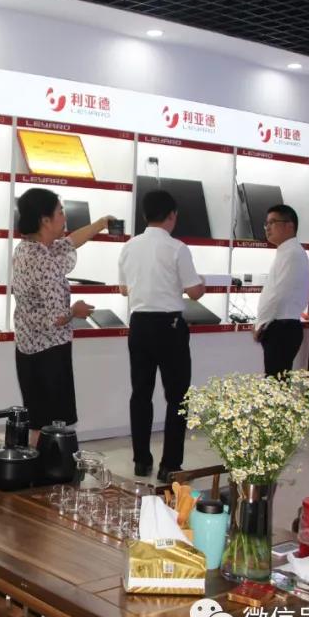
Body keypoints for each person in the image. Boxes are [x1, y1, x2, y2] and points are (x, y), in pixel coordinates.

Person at [12, 188, 113, 443]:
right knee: (51, 426)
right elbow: (58, 317)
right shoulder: (44, 261)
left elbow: (70, 242)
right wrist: (75, 311)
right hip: (50, 353)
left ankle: (35, 464)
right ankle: (48, 466)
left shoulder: (26, 249)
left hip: (27, 349)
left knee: (37, 421)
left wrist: (100, 224)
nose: (64, 217)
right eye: (60, 212)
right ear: (45, 220)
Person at [118, 189, 205, 482]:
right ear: (172, 215)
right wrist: (201, 283)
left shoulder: (129, 247)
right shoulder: (177, 248)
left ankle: (141, 461)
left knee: (141, 394)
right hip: (169, 326)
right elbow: (194, 291)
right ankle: (170, 465)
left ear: (145, 215)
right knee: (177, 397)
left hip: (139, 324)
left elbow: (123, 289)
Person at [254, 204, 309, 377]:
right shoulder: (286, 252)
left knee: (275, 384)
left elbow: (279, 295)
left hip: (281, 328)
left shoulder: (292, 254)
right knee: (275, 383)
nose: (267, 228)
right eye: (266, 224)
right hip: (279, 326)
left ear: (289, 226)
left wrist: (261, 323)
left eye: (272, 222)